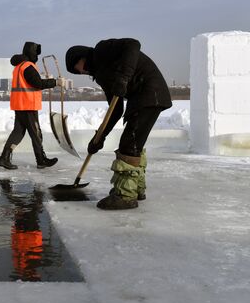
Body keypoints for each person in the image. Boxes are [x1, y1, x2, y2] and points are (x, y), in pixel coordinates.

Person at [65, 38, 172, 210]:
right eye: (77, 72)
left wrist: (123, 78)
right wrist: (99, 138)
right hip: (141, 97)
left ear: (82, 55)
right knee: (134, 142)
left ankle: (125, 196)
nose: (81, 72)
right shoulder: (102, 76)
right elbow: (114, 110)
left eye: (78, 66)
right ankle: (136, 189)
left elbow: (133, 44)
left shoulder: (102, 50)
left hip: (150, 91)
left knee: (129, 143)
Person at [0, 42, 66, 170]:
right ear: (31, 53)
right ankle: (41, 160)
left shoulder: (18, 66)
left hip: (19, 104)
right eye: (36, 53)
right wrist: (55, 82)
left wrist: (46, 80)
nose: (37, 56)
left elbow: (32, 82)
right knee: (36, 133)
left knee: (18, 132)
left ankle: (4, 158)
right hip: (28, 105)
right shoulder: (28, 66)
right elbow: (37, 83)